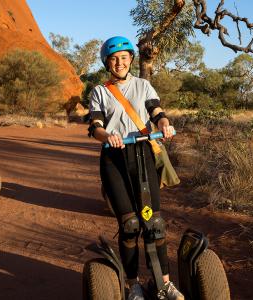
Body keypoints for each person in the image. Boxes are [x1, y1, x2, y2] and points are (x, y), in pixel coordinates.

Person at [88, 36, 184, 300]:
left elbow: (156, 111)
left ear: (131, 59)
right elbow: (95, 126)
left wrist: (164, 124)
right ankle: (133, 285)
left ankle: (163, 284)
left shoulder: (143, 86)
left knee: (154, 223)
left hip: (142, 154)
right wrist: (107, 136)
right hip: (114, 158)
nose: (119, 63)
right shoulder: (99, 91)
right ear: (107, 62)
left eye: (124, 57)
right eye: (113, 58)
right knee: (130, 224)